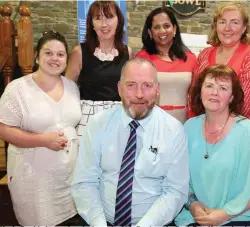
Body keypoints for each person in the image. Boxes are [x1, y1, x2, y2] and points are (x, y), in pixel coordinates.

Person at [71, 58, 189, 226]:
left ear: (157, 90)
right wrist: (99, 223)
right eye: (131, 85)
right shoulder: (98, 124)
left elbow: (175, 191)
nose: (139, 94)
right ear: (119, 88)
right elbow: (84, 182)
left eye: (147, 86)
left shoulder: (174, 131)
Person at [0, 31, 82, 225]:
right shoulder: (18, 89)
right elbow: (3, 128)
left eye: (60, 54)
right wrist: (42, 140)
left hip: (67, 178)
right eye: (48, 53)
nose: (55, 58)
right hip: (33, 180)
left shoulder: (72, 87)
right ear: (37, 56)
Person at [175, 65, 250, 226]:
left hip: (237, 217)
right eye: (209, 86)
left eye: (223, 88)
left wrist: (223, 215)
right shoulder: (188, 128)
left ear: (232, 97)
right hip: (195, 216)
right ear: (200, 92)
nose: (214, 92)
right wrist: (193, 205)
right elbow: (179, 176)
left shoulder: (248, 132)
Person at [188, 2, 250, 126]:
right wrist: (196, 124)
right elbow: (194, 95)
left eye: (234, 22)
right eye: (222, 22)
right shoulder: (205, 54)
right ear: (216, 26)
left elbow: (245, 103)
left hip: (238, 129)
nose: (227, 28)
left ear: (244, 28)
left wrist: (219, 126)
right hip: (203, 126)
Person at [66, 0, 132, 136]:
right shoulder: (79, 52)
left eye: (109, 17)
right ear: (91, 24)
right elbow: (67, 91)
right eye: (98, 18)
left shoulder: (128, 53)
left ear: (119, 21)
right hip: (88, 119)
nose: (104, 24)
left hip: (119, 118)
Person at [136, 7, 196, 123]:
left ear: (174, 29)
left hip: (184, 125)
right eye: (156, 27)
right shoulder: (141, 59)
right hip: (150, 123)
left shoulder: (191, 59)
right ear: (150, 32)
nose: (162, 31)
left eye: (166, 26)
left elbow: (196, 96)